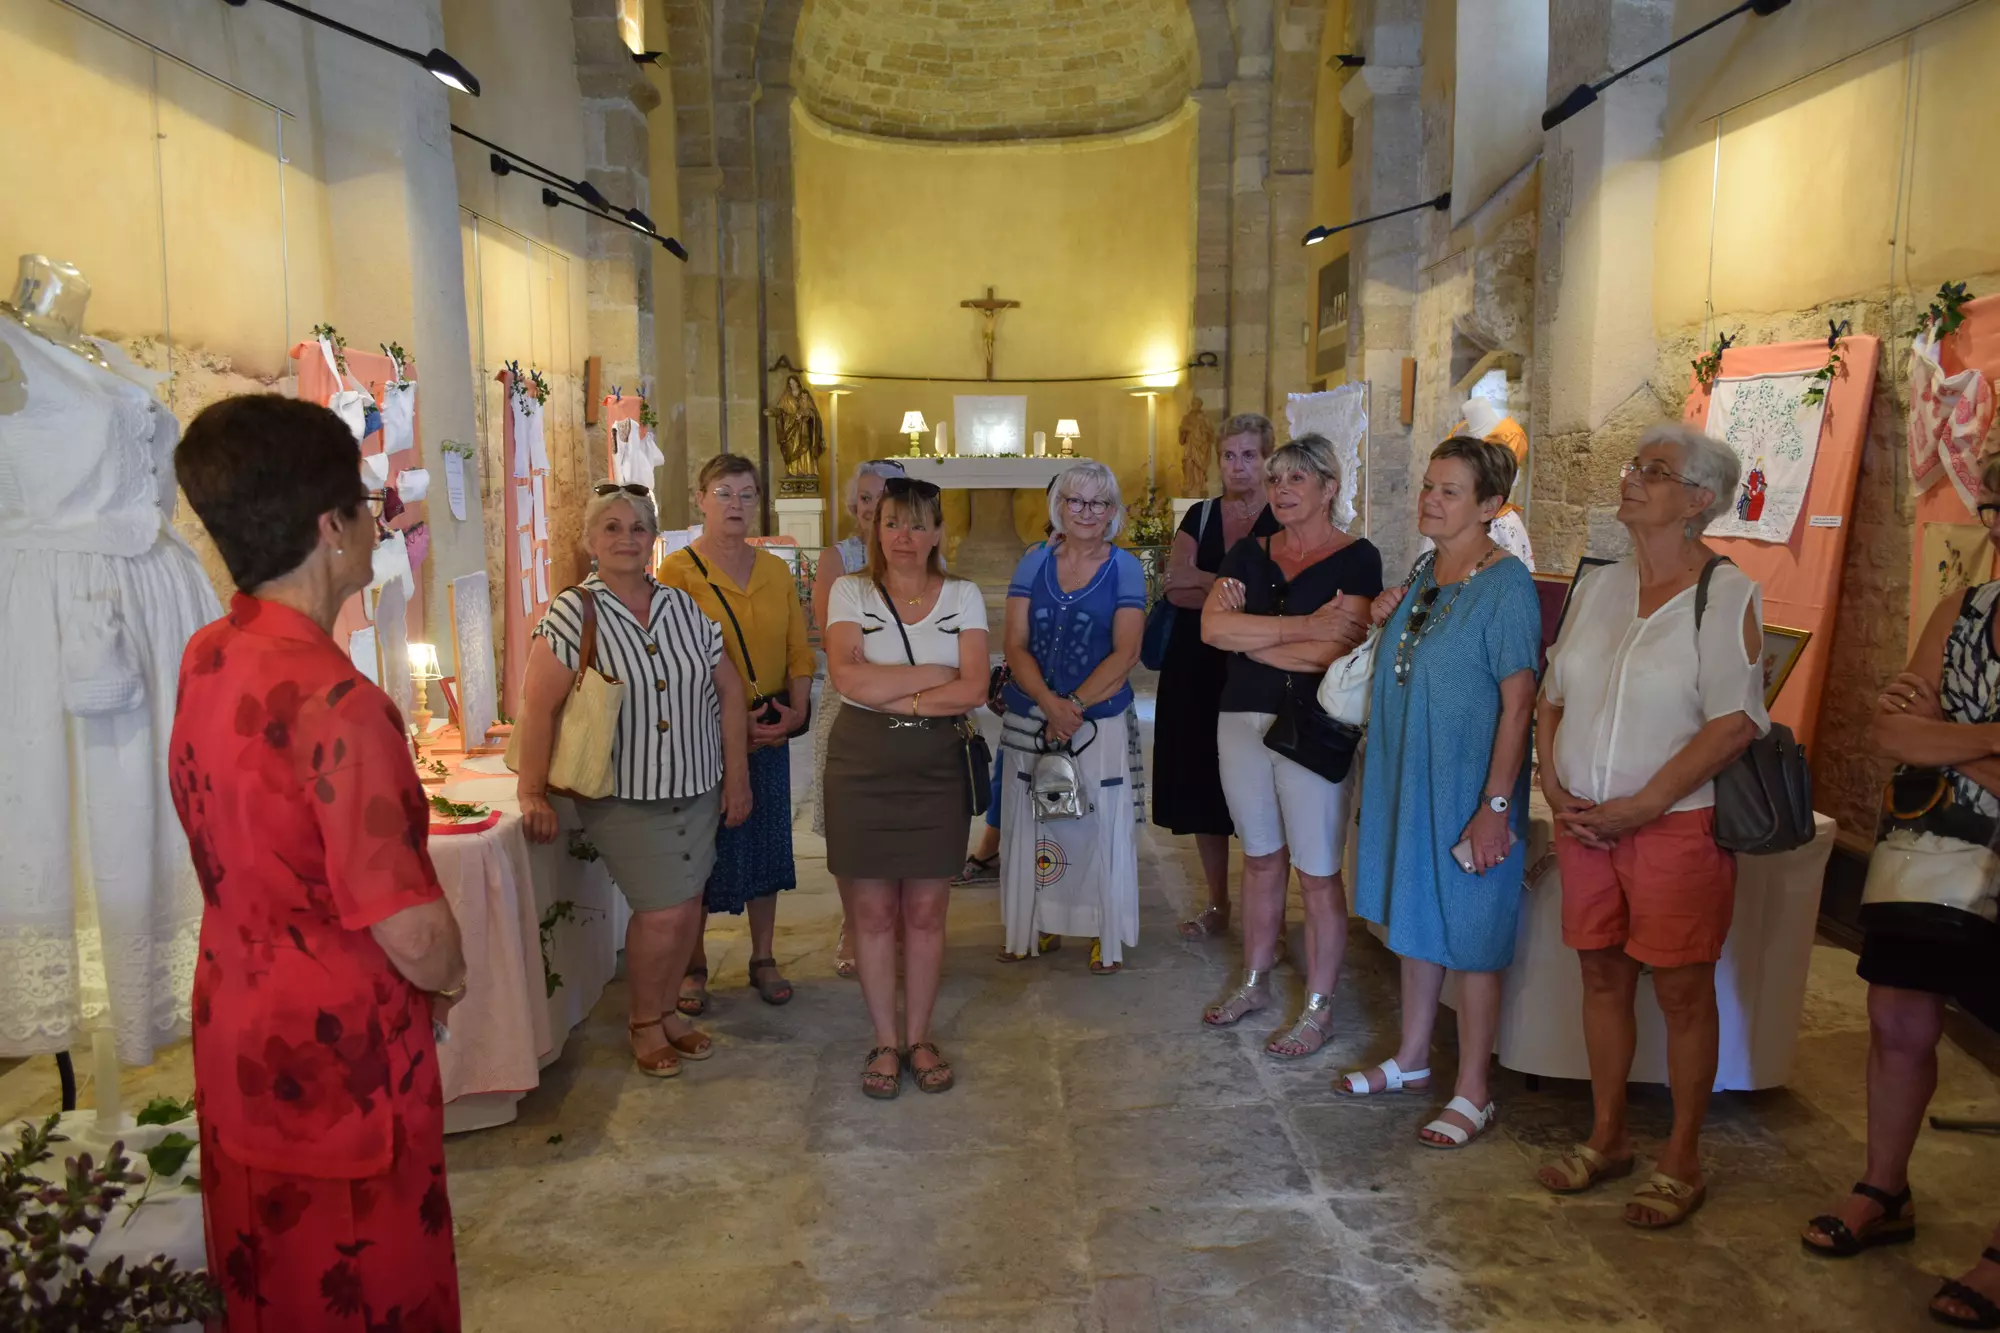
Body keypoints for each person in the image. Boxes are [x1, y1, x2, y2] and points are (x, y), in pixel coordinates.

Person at [170, 395, 468, 1330]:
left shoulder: (211, 654)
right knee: (361, 1282)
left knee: (266, 1280)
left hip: (238, 1021)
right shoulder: (339, 702)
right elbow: (410, 927)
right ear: (329, 529)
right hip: (341, 1050)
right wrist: (452, 978)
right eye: (365, 504)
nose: (377, 522)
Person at [1533, 421, 1765, 1228]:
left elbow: (1733, 724)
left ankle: (1683, 1156)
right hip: (1586, 821)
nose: (1631, 478)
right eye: (1634, 465)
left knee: (1681, 990)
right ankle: (1609, 1135)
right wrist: (1552, 781)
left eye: (1654, 471)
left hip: (1674, 826)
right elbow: (1553, 694)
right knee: (1599, 974)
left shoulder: (1724, 592)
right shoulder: (1598, 584)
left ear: (1698, 500)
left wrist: (1645, 804)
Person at [1799, 457, 2000, 1327]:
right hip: (1935, 848)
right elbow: (1889, 729)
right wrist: (1972, 738)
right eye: (1994, 505)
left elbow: (1921, 732)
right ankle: (1885, 1187)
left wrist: (1944, 734)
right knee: (1897, 1015)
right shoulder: (1965, 610)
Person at [1338, 437, 1540, 1149]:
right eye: (1428, 485)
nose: (1430, 498)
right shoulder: (1426, 568)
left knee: (1474, 938)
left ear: (1489, 506)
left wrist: (1493, 807)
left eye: (1449, 490)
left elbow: (1519, 704)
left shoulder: (1507, 584)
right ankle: (1414, 1056)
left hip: (1465, 786)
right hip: (1409, 774)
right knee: (1417, 918)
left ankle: (1474, 1090)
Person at [515, 483, 752, 1078]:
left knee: (689, 901)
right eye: (612, 528)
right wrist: (531, 791)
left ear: (653, 538)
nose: (626, 538)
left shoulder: (682, 607)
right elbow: (538, 707)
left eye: (638, 528)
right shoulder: (574, 610)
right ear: (591, 541)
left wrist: (737, 778)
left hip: (696, 785)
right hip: (626, 792)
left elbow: (729, 690)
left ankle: (669, 1011)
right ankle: (645, 1020)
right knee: (664, 910)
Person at [1200, 433, 1378, 1055]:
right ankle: (1254, 981)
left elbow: (1341, 648)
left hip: (1314, 723)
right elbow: (1212, 628)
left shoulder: (1357, 557)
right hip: (1241, 716)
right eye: (1275, 481)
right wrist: (1300, 628)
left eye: (1295, 481)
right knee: (1261, 856)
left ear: (1329, 488)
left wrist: (1253, 638)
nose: (1279, 491)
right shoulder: (1249, 552)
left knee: (1319, 871)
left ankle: (1319, 1008)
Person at [823, 476, 991, 1098]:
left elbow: (974, 688)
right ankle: (884, 1040)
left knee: (925, 912)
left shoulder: (965, 595)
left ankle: (919, 1036)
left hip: (935, 770)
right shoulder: (850, 589)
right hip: (861, 766)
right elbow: (846, 679)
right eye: (893, 522)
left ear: (939, 533)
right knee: (870, 912)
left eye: (919, 523)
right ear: (876, 527)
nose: (904, 536)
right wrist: (933, 680)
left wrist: (896, 688)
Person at [660, 455, 816, 1011]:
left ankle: (763, 955)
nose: (736, 505)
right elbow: (673, 662)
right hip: (705, 733)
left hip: (771, 724)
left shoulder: (776, 571)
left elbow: (800, 648)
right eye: (723, 493)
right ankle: (694, 963)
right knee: (704, 847)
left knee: (768, 841)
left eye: (747, 494)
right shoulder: (676, 572)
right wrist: (727, 720)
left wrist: (796, 710)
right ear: (700, 499)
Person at [997, 461, 1147, 973]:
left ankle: (1102, 927)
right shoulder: (1032, 561)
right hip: (1032, 713)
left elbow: (1127, 652)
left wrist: (1074, 706)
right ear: (1057, 506)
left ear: (1112, 512)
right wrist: (1048, 703)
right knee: (1035, 824)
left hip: (1097, 718)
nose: (1086, 512)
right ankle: (1038, 921)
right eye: (1075, 501)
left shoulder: (1124, 566)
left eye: (1098, 503)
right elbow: (1014, 645)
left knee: (1096, 825)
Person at [1154, 413, 1281, 940]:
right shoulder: (1201, 516)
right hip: (1195, 663)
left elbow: (1280, 590)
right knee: (1203, 783)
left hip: (1257, 665)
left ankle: (1266, 915)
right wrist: (1235, 584)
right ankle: (1217, 903)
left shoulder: (1283, 515)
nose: (1238, 466)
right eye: (1229, 456)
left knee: (1262, 789)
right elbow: (1175, 585)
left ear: (1268, 458)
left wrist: (1213, 586)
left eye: (1249, 455)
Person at [812, 460, 908, 976]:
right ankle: (855, 921)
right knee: (852, 825)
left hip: (913, 706)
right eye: (867, 497)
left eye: (887, 496)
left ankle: (893, 921)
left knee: (900, 820)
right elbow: (834, 638)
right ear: (854, 506)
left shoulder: (919, 556)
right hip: (850, 703)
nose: (876, 506)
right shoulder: (838, 558)